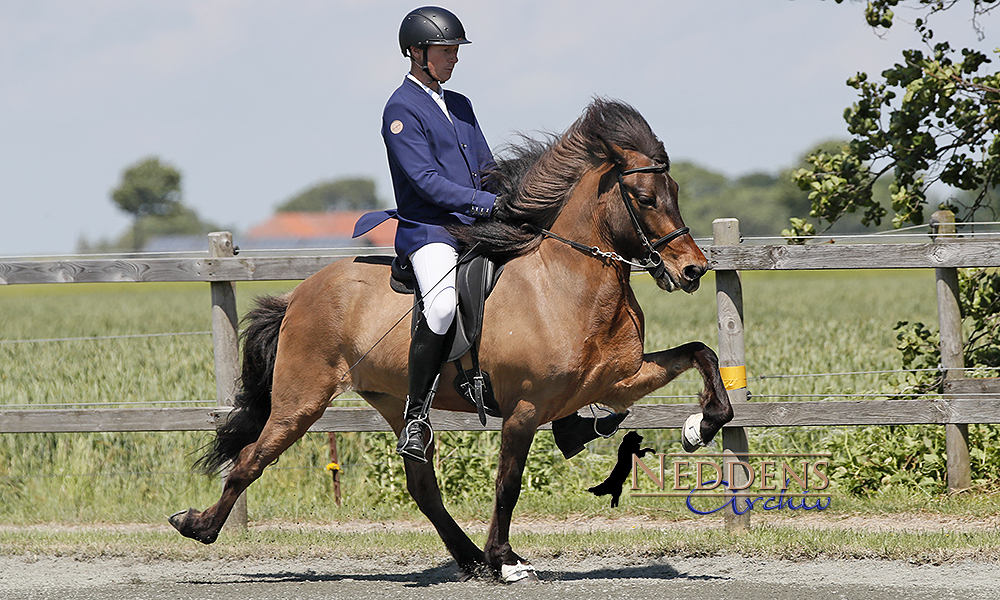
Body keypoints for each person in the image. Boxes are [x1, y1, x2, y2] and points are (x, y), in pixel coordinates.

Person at [369, 6, 628, 464]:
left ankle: (565, 417)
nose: (454, 59)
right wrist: (490, 206)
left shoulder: (460, 105)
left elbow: (486, 168)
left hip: (477, 225)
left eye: (454, 51)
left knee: (536, 286)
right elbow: (426, 180)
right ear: (416, 52)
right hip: (430, 229)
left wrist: (517, 202)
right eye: (446, 51)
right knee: (444, 302)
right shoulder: (400, 109)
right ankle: (416, 415)